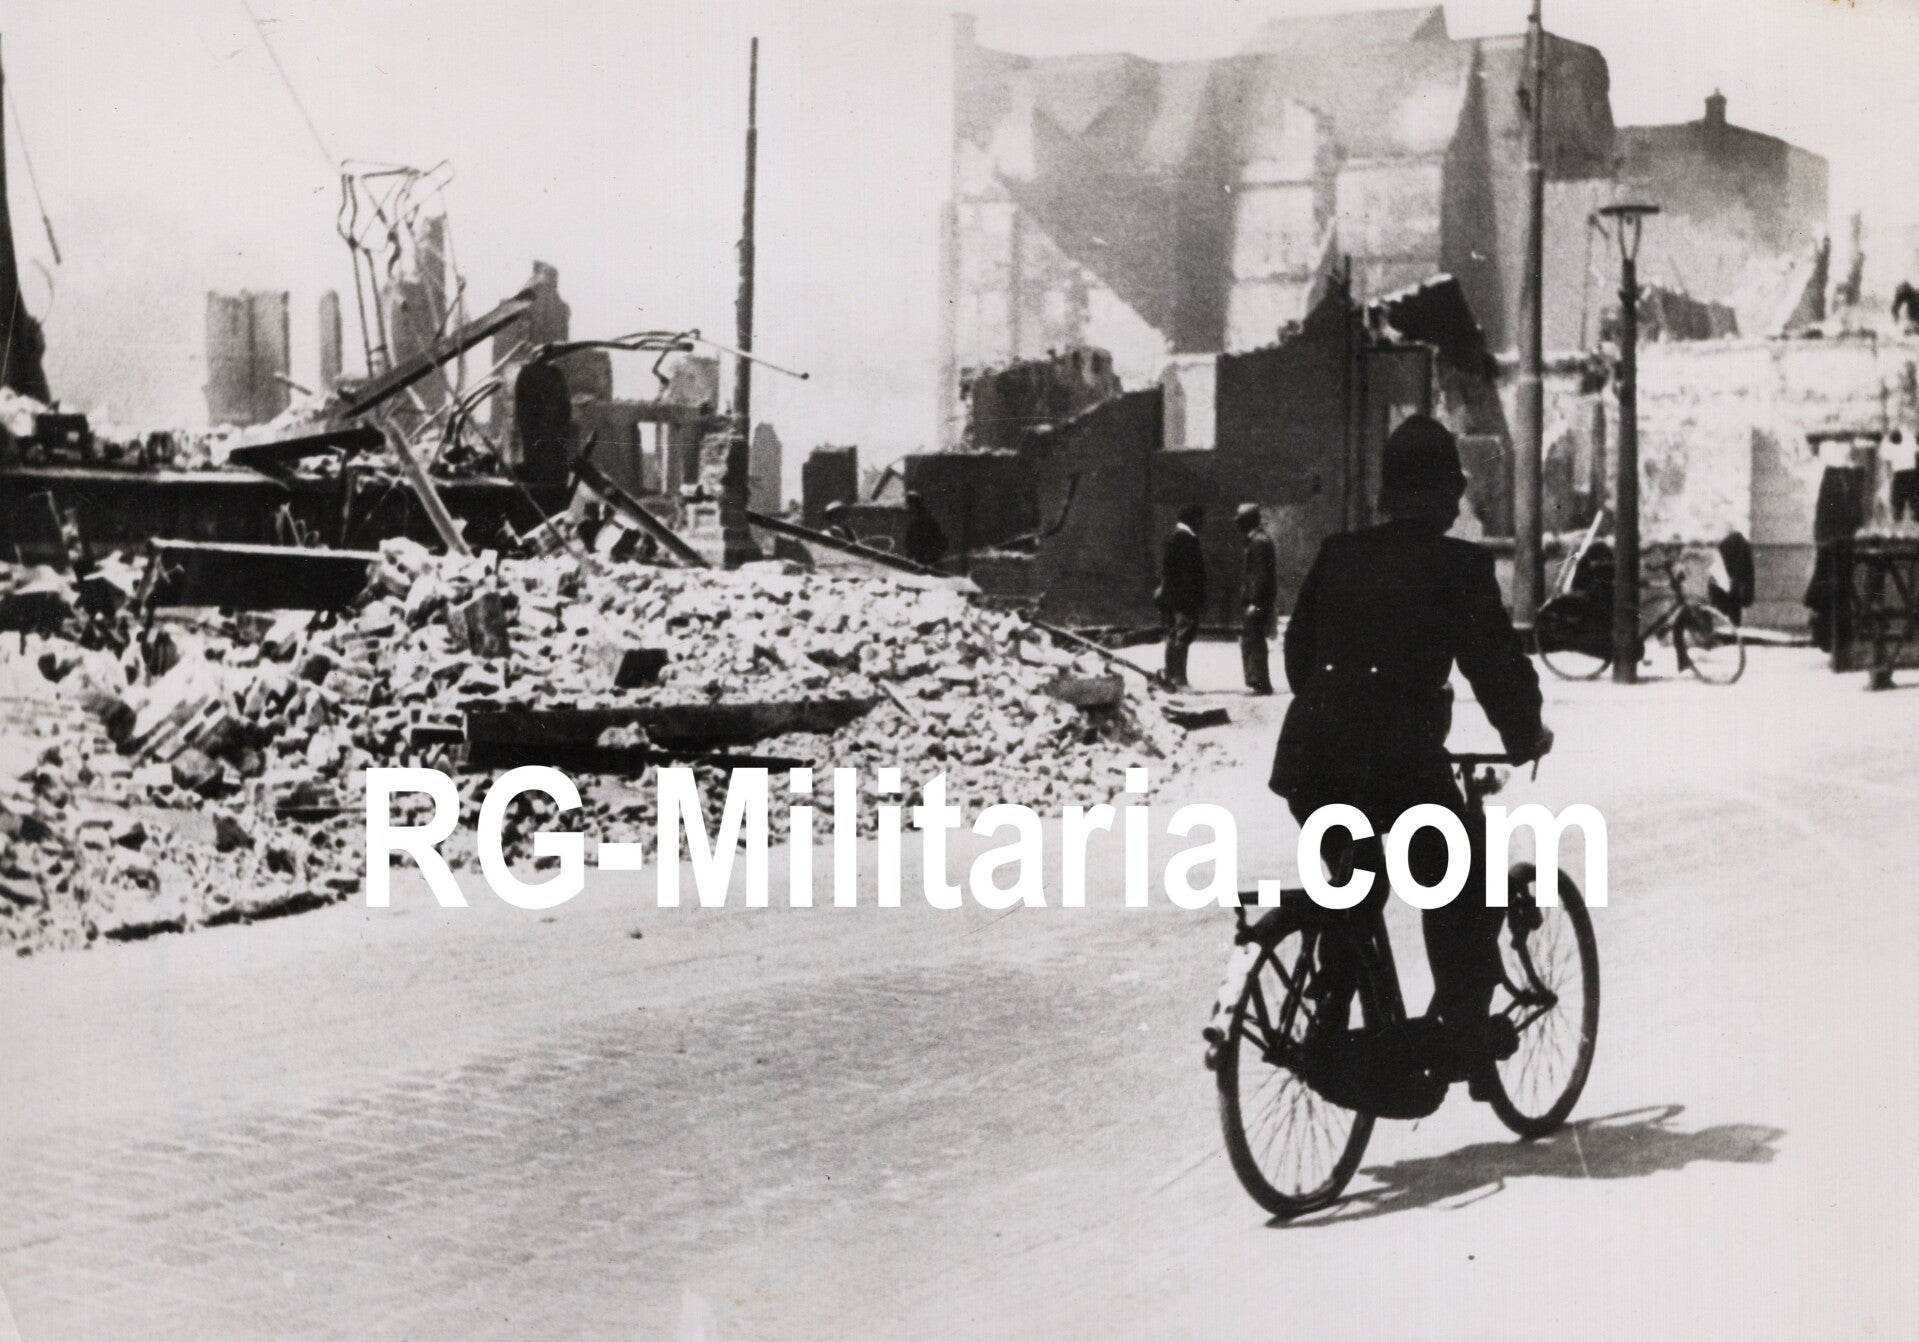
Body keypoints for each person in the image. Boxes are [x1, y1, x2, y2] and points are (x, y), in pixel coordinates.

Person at [1271, 414, 1553, 1085]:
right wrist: (1525, 734)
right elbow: (1496, 666)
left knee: (1352, 878)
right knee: (1462, 883)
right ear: (1448, 495)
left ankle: (1332, 1014)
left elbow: (1296, 659)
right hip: (1396, 762)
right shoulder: (1457, 564)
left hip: (1309, 761)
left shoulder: (1338, 553)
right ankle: (1452, 1035)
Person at [1156, 504, 1207, 689]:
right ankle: (1180, 679)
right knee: (1183, 635)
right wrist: (1194, 598)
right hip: (1185, 599)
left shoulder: (1176, 537)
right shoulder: (1185, 539)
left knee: (1173, 634)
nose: (1202, 523)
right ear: (1193, 520)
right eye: (1200, 520)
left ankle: (1171, 676)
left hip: (1174, 597)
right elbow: (1188, 574)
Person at [1235, 503, 1277, 695]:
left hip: (1256, 601)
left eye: (1240, 521)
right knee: (1252, 639)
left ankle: (1260, 682)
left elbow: (1261, 575)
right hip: (1256, 600)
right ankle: (1257, 680)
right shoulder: (1257, 539)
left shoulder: (1258, 542)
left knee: (1254, 640)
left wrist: (1255, 601)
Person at [901, 491, 949, 569]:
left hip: (926, 559)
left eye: (908, 504)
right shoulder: (920, 519)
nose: (907, 508)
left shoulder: (922, 520)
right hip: (925, 558)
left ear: (913, 505)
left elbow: (916, 542)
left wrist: (909, 557)